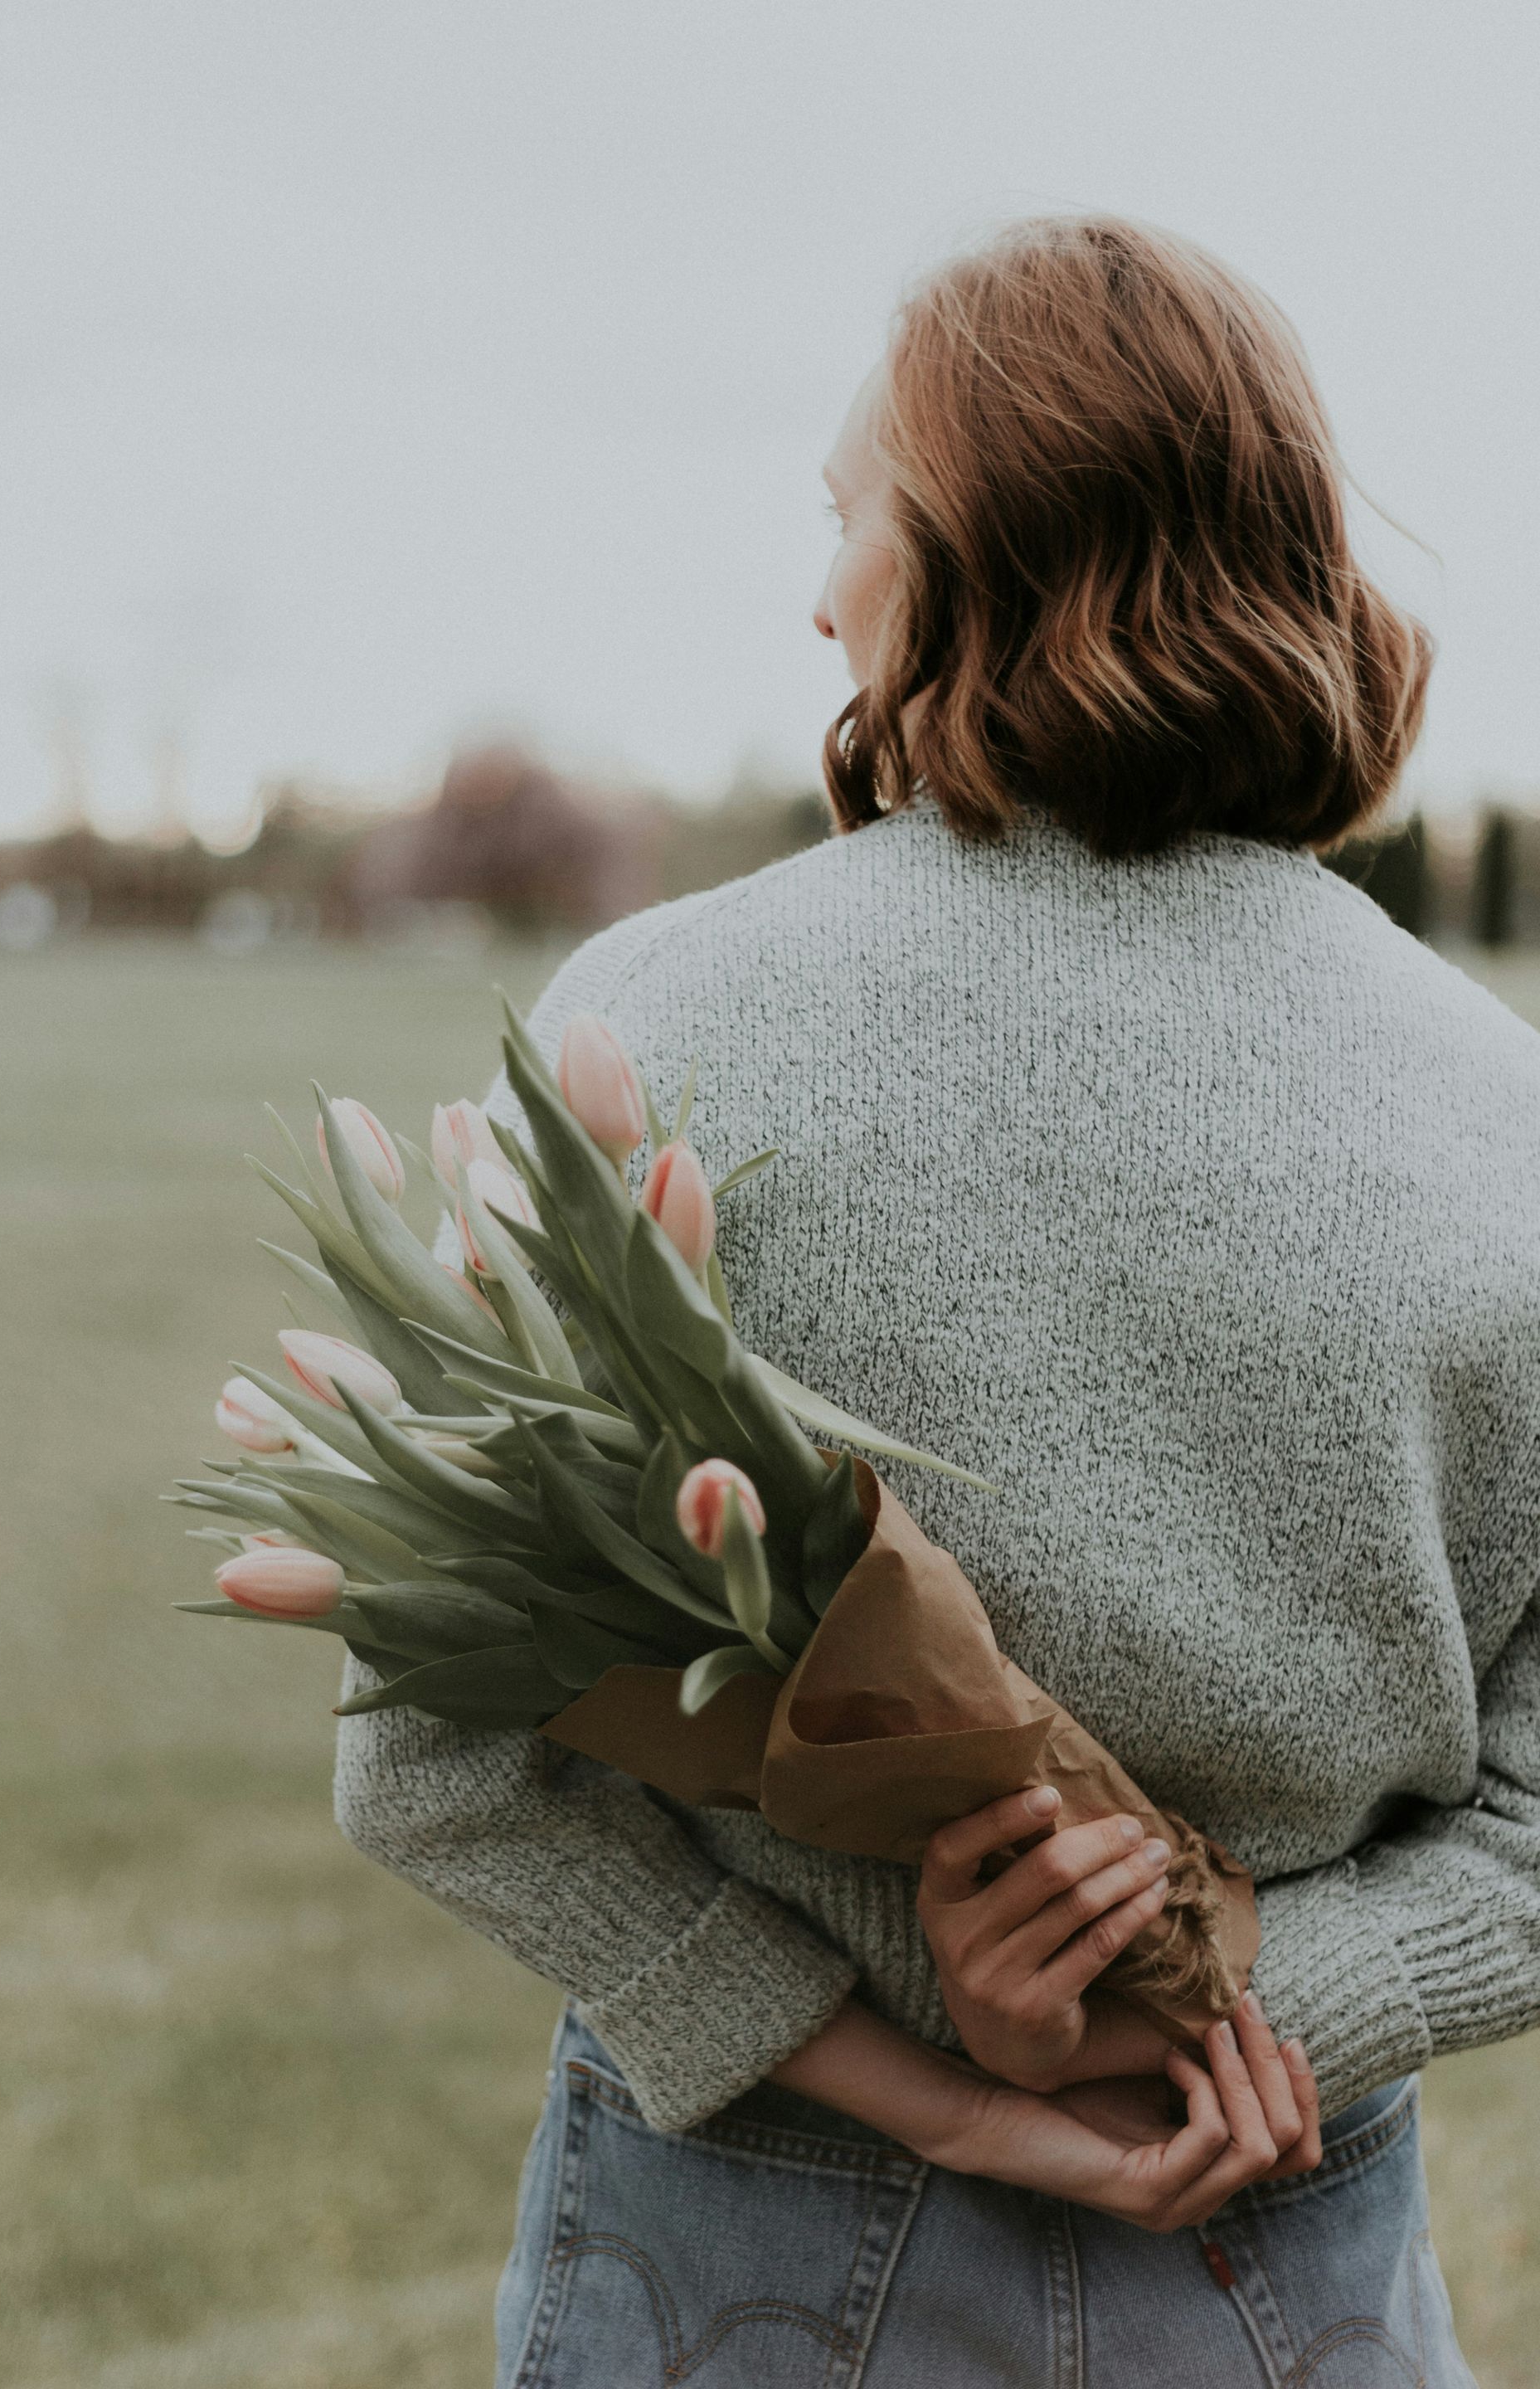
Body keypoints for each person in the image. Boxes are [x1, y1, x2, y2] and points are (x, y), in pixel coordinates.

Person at [334, 217, 1532, 2385]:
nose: (820, 593)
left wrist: (954, 2088)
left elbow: (430, 1762)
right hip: (1290, 2249)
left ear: (973, 538)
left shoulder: (656, 1026)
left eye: (848, 512)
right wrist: (1245, 1983)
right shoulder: (1512, 1114)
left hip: (738, 2264)